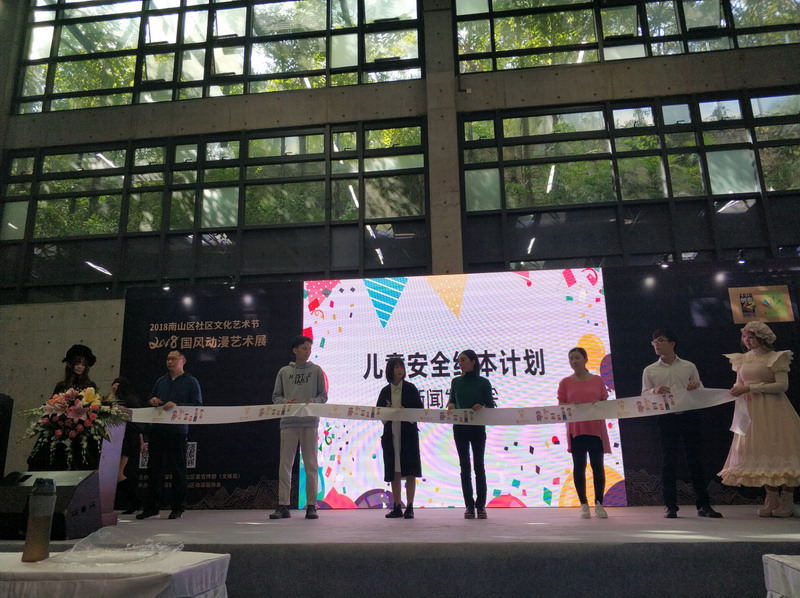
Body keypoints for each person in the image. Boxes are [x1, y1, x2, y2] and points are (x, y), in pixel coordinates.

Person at [718, 321, 800, 517]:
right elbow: (739, 383)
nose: (747, 340)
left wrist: (751, 387)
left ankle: (788, 501)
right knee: (761, 450)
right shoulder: (742, 359)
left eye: (751, 337)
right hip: (751, 410)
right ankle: (772, 499)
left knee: (781, 449)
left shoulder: (776, 357)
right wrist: (736, 390)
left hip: (773, 409)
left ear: (762, 338)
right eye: (745, 336)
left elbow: (782, 385)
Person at [642, 329, 722, 519]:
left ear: (672, 343)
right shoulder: (650, 370)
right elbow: (643, 394)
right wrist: (654, 391)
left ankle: (704, 505)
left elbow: (701, 390)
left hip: (689, 416)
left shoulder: (688, 366)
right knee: (668, 462)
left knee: (696, 461)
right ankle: (670, 506)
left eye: (660, 340)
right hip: (666, 418)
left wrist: (696, 386)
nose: (656, 344)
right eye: (654, 342)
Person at [136, 349, 202, 520]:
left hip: (177, 431)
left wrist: (177, 405)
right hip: (157, 430)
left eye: (173, 358)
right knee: (154, 470)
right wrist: (152, 400)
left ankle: (178, 508)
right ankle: (152, 509)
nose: (170, 362)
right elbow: (150, 399)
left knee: (178, 470)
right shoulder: (161, 381)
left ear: (183, 361)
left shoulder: (191, 381)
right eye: (168, 359)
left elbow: (197, 406)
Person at [270, 335, 328, 520]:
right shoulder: (284, 371)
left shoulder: (316, 370)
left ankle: (311, 505)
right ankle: (283, 505)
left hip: (309, 422)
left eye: (309, 349)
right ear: (295, 350)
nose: (307, 352)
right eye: (304, 348)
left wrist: (314, 401)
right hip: (289, 422)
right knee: (285, 465)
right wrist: (287, 402)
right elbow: (276, 397)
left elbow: (323, 396)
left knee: (311, 464)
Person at [557, 347, 610, 519]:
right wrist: (569, 406)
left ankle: (599, 503)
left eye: (577, 358)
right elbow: (560, 406)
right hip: (576, 430)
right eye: (571, 358)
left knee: (597, 466)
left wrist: (598, 404)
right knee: (579, 467)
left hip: (596, 430)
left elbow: (604, 401)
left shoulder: (598, 380)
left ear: (586, 359)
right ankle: (583, 504)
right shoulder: (565, 382)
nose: (574, 361)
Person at [446, 350, 495, 519]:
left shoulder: (483, 383)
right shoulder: (456, 382)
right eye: (459, 361)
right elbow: (451, 400)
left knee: (479, 466)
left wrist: (482, 406)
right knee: (464, 467)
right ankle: (469, 505)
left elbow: (491, 406)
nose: (460, 363)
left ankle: (481, 506)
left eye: (463, 360)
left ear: (473, 361)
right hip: (460, 428)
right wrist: (451, 405)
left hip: (478, 428)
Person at [377, 357, 423, 519]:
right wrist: (388, 412)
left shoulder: (411, 388)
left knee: (410, 471)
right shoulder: (385, 391)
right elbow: (379, 413)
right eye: (396, 367)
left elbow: (419, 411)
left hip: (408, 434)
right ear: (390, 370)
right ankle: (396, 505)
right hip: (391, 434)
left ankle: (410, 506)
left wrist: (406, 412)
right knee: (394, 470)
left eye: (401, 367)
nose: (399, 370)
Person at [111, 376, 145, 515]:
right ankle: (135, 502)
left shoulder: (130, 400)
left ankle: (135, 501)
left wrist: (141, 441)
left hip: (128, 439)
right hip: (118, 438)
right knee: (117, 473)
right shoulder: (117, 399)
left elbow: (138, 422)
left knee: (119, 473)